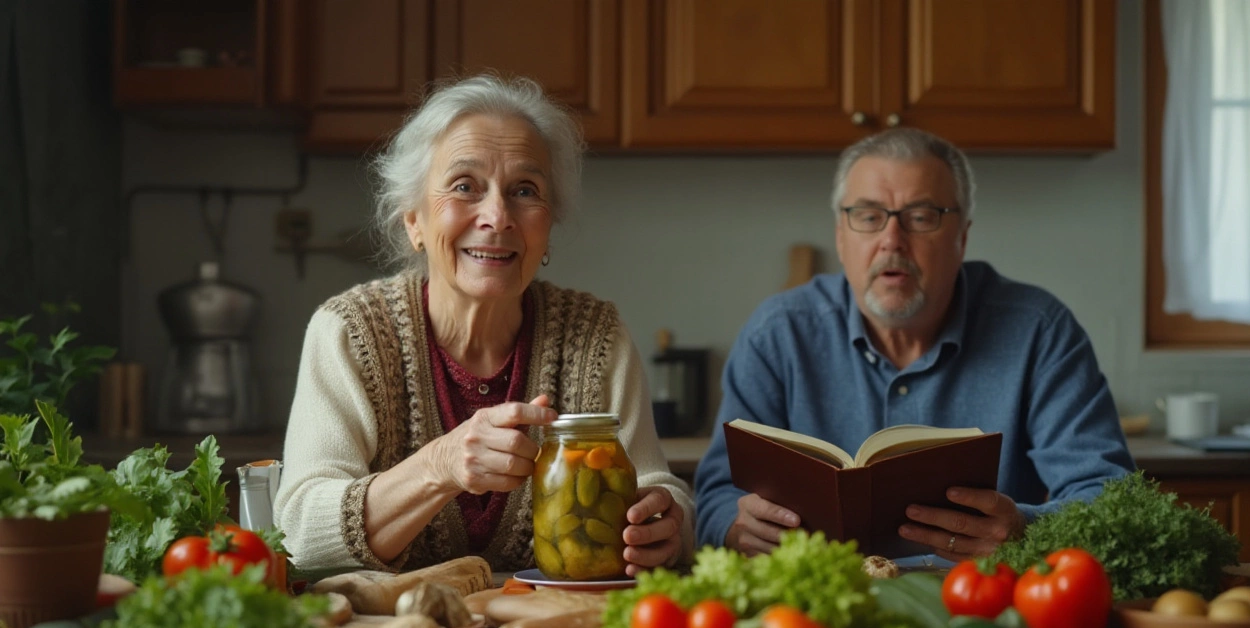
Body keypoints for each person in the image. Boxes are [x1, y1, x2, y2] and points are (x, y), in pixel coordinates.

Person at [275, 75, 693, 575]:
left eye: (525, 190)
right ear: (414, 221)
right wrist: (440, 466)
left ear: (548, 227)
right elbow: (298, 532)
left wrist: (667, 523)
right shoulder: (350, 332)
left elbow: (655, 485)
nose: (497, 216)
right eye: (464, 186)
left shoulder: (595, 337)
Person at [694, 127, 1134, 560]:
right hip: (813, 614)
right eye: (868, 216)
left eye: (921, 216)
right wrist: (736, 528)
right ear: (841, 237)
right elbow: (715, 495)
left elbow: (1112, 497)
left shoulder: (1040, 330)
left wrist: (1026, 529)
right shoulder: (777, 332)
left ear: (962, 236)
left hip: (982, 606)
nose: (892, 241)